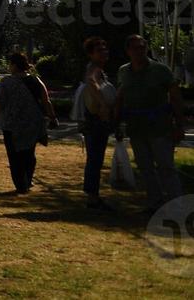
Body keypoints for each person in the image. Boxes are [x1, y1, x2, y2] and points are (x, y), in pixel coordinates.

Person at [115, 34, 186, 211]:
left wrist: (179, 125)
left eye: (142, 47)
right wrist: (116, 122)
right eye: (135, 48)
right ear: (128, 51)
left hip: (160, 127)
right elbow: (120, 97)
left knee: (166, 166)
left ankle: (176, 204)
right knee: (145, 168)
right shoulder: (123, 71)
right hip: (136, 128)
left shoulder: (160, 70)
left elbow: (175, 98)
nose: (139, 51)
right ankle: (154, 202)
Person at [0, 51, 56, 193]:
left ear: (14, 65)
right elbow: (46, 100)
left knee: (14, 156)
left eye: (10, 64)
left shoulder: (7, 82)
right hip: (33, 122)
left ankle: (20, 185)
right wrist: (52, 117)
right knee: (29, 153)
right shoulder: (36, 80)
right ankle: (28, 180)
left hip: (12, 124)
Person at [71, 36, 116, 210]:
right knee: (95, 159)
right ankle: (92, 197)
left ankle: (93, 194)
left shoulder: (96, 68)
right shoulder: (94, 69)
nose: (104, 51)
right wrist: (103, 103)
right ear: (91, 54)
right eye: (99, 50)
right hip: (95, 121)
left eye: (105, 48)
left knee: (95, 158)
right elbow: (91, 82)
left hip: (95, 120)